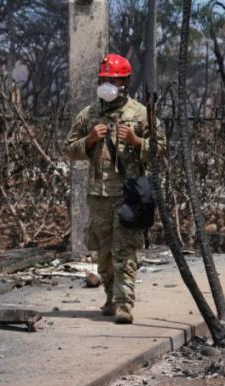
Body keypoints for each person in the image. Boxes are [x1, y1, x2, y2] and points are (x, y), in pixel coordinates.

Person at [63, 54, 167, 324]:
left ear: (125, 82)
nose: (107, 84)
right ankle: (110, 297)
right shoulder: (88, 114)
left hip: (128, 194)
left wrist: (136, 141)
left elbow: (161, 150)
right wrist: (89, 140)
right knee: (104, 252)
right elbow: (69, 149)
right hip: (98, 195)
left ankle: (124, 303)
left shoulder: (140, 114)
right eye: (104, 79)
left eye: (114, 80)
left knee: (124, 250)